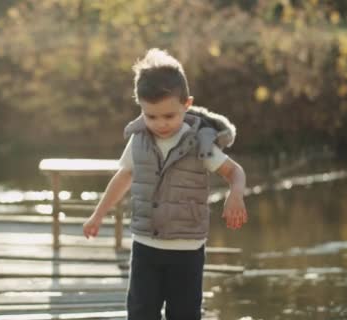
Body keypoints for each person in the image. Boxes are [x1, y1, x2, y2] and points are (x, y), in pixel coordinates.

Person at [82, 48, 248, 320]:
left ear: (187, 104)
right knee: (140, 312)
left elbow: (235, 172)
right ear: (141, 107)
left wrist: (236, 196)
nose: (160, 124)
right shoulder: (139, 140)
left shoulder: (201, 142)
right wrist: (98, 215)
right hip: (146, 245)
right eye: (151, 116)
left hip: (187, 250)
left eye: (169, 116)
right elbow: (124, 176)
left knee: (184, 313)